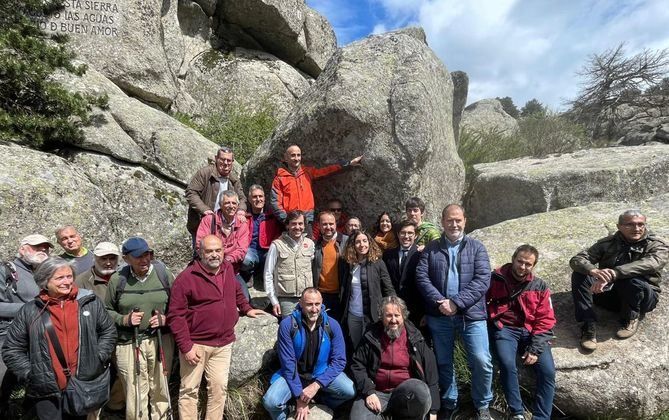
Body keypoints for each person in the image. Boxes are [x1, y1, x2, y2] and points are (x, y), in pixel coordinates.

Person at [2, 257, 116, 420]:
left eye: (69, 276)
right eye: (60, 278)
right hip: (46, 390)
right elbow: (12, 348)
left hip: (81, 385)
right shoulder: (30, 311)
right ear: (45, 281)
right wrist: (31, 374)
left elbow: (108, 332)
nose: (67, 282)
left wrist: (96, 358)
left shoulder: (89, 303)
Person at [168, 235, 267, 420]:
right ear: (200, 253)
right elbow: (175, 316)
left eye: (218, 250)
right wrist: (186, 347)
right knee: (189, 390)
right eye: (209, 251)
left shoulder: (227, 268)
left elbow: (236, 291)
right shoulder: (186, 278)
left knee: (219, 389)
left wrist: (246, 308)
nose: (214, 255)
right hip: (196, 345)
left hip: (223, 344)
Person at [416, 204, 493, 420]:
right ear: (442, 222)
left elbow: (482, 281)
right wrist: (440, 302)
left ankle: (482, 404)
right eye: (450, 220)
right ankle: (449, 402)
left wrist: (456, 303)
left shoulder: (477, 248)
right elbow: (422, 278)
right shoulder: (431, 248)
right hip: (439, 315)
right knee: (443, 361)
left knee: (481, 360)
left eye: (458, 220)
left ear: (465, 221)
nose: (454, 224)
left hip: (472, 315)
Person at [570, 209, 668, 351]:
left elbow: (653, 263)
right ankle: (588, 326)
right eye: (630, 224)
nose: (637, 228)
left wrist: (615, 273)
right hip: (611, 295)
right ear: (619, 226)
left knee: (631, 279)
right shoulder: (607, 243)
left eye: (641, 224)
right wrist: (594, 271)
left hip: (642, 298)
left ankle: (630, 317)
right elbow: (577, 259)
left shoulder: (657, 244)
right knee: (579, 274)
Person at [104, 237, 175, 420]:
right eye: (139, 256)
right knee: (135, 391)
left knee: (160, 387)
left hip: (160, 339)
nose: (144, 260)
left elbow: (178, 306)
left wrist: (166, 319)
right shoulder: (117, 280)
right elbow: (106, 311)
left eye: (147, 255)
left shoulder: (163, 274)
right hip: (129, 342)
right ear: (126, 258)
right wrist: (125, 319)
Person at [262, 288, 355, 420]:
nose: (314, 309)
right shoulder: (287, 325)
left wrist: (316, 386)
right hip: (294, 375)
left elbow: (339, 361)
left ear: (322, 302)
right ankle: (287, 415)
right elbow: (288, 364)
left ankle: (321, 403)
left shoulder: (332, 325)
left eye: (317, 304)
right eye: (309, 304)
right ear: (300, 303)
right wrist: (300, 399)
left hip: (320, 374)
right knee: (270, 402)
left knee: (348, 391)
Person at [487, 245, 556, 420]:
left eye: (528, 264)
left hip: (531, 331)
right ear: (513, 259)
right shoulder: (496, 278)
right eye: (520, 262)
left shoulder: (539, 285)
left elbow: (546, 319)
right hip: (505, 330)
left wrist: (535, 348)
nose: (523, 267)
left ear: (534, 266)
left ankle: (541, 417)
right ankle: (517, 412)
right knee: (507, 364)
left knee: (547, 371)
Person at [350, 296, 439, 420]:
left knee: (420, 390)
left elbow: (431, 373)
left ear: (404, 316)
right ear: (381, 317)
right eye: (388, 315)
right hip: (377, 392)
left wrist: (433, 411)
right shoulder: (371, 336)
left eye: (397, 315)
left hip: (405, 395)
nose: (393, 320)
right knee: (358, 418)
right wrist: (368, 392)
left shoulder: (415, 338)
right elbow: (357, 365)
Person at [0, 234, 53, 412]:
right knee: (3, 382)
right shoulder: (6, 270)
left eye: (46, 248)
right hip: (8, 337)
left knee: (35, 382)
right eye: (37, 247)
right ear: (22, 249)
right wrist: (29, 308)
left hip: (39, 336)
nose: (43, 251)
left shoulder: (46, 272)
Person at [74, 241, 125, 415]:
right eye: (104, 258)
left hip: (121, 335)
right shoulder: (81, 280)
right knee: (94, 377)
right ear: (95, 258)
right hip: (93, 338)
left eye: (112, 258)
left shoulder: (125, 276)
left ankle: (114, 407)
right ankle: (92, 412)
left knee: (124, 375)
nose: (108, 262)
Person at [270, 144, 362, 229]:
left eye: (299, 155)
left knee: (308, 245)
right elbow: (275, 202)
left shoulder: (307, 172)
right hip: (290, 221)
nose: (296, 158)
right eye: (293, 155)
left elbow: (326, 171)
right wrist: (285, 220)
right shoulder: (279, 178)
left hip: (307, 219)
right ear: (286, 158)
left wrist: (348, 163)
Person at [340, 230, 396, 351]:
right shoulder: (348, 264)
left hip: (372, 315)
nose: (362, 245)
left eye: (365, 241)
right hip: (353, 315)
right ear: (352, 245)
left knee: (373, 347)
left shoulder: (378, 263)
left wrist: (393, 308)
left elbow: (388, 288)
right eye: (358, 242)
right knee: (356, 347)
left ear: (370, 243)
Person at [185, 146, 247, 247]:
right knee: (201, 254)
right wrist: (204, 210)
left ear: (232, 162)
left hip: (223, 227)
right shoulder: (205, 173)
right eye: (222, 159)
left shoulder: (234, 179)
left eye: (229, 160)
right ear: (216, 158)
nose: (226, 163)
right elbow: (191, 193)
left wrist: (241, 210)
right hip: (202, 224)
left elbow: (242, 198)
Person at [196, 190, 251, 298]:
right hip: (209, 267)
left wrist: (227, 261)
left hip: (230, 269)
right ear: (220, 205)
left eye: (234, 203)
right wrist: (216, 259)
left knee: (244, 299)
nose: (231, 206)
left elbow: (242, 250)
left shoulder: (242, 224)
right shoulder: (208, 220)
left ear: (238, 205)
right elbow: (200, 245)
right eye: (227, 203)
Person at [265, 211, 316, 318]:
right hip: (286, 299)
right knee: (290, 330)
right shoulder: (277, 245)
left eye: (300, 224)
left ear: (305, 225)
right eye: (293, 223)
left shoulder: (310, 244)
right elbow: (268, 273)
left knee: (309, 330)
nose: (297, 227)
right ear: (287, 225)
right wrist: (274, 300)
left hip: (308, 298)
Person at [382, 219, 423, 327]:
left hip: (416, 309)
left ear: (415, 235)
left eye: (410, 233)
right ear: (398, 234)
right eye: (403, 233)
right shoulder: (388, 255)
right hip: (393, 309)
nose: (406, 236)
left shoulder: (422, 254)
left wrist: (425, 312)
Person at [239, 185, 282, 288]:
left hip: (267, 250)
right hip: (250, 250)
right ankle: (249, 274)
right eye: (254, 197)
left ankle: (264, 275)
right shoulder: (244, 215)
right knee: (244, 260)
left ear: (264, 198)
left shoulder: (272, 214)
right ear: (249, 199)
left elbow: (280, 231)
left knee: (275, 257)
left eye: (260, 196)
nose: (258, 199)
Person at [312, 211, 347, 320]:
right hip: (321, 295)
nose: (328, 227)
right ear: (319, 226)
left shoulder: (346, 242)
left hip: (341, 295)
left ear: (336, 224)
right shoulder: (314, 245)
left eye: (331, 224)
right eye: (324, 224)